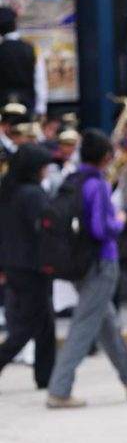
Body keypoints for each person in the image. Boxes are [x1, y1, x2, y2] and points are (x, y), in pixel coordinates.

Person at [46, 130, 127, 408]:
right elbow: (100, 228)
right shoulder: (97, 185)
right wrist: (119, 221)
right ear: (106, 157)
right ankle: (59, 389)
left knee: (106, 324)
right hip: (101, 262)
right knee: (84, 325)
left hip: (80, 263)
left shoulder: (73, 179)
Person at [0, 144, 56, 388]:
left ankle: (45, 375)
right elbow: (46, 228)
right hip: (32, 266)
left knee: (44, 322)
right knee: (30, 324)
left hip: (13, 264)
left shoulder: (8, 191)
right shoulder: (33, 194)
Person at [0, 6, 48, 119]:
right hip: (27, 106)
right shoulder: (31, 49)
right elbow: (40, 80)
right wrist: (41, 108)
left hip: (3, 108)